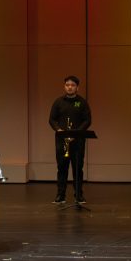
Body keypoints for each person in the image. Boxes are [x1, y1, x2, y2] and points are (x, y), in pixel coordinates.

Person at [48, 75, 92, 204]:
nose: (70, 87)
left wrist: (77, 133)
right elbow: (51, 119)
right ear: (64, 86)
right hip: (62, 140)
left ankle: (78, 195)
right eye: (67, 85)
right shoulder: (58, 102)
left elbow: (88, 120)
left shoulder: (82, 102)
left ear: (77, 87)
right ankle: (60, 195)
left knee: (78, 168)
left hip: (77, 141)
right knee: (62, 168)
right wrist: (59, 130)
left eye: (72, 85)